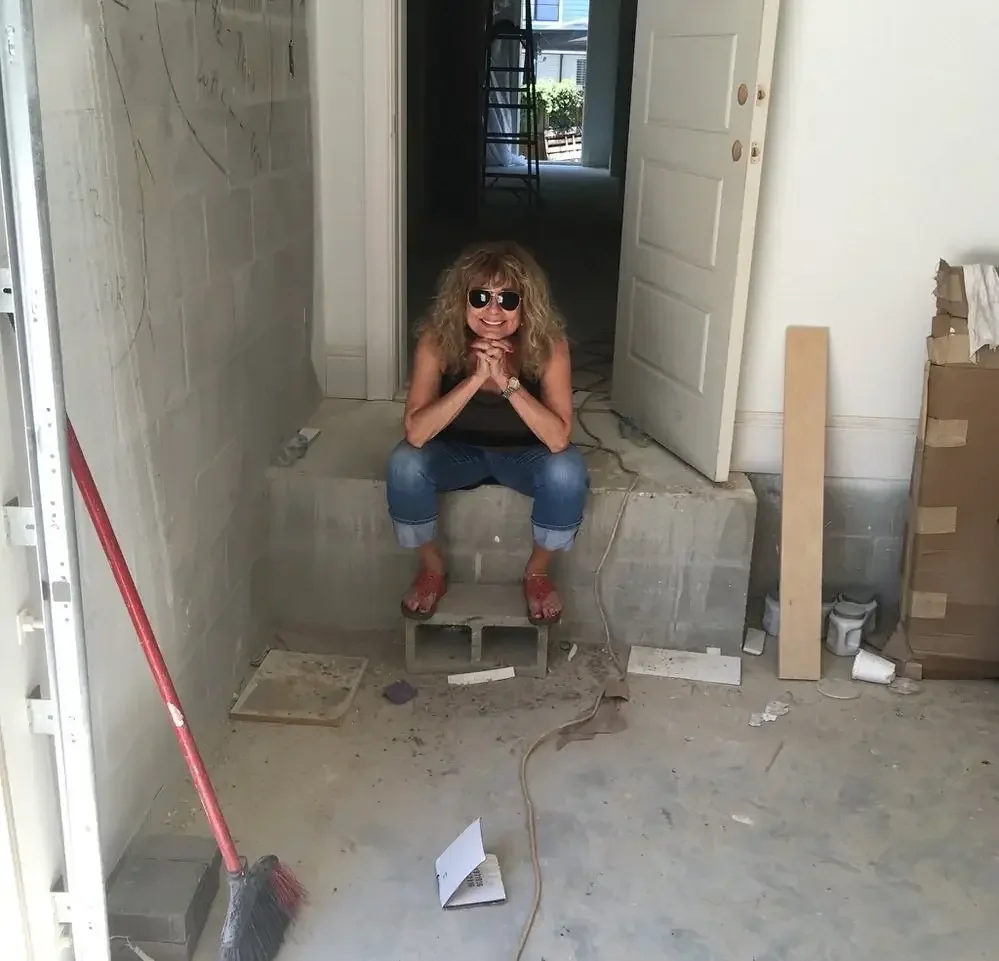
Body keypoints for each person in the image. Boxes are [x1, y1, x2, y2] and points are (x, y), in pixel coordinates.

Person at [386, 241, 589, 625]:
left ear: (526, 305)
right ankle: (432, 568)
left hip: (524, 457)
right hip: (456, 453)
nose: (492, 311)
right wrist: (476, 378)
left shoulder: (548, 346)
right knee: (404, 463)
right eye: (480, 297)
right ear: (461, 302)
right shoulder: (437, 341)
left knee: (567, 470)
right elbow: (416, 432)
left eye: (507, 299)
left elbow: (558, 438)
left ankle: (538, 573)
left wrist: (507, 381)